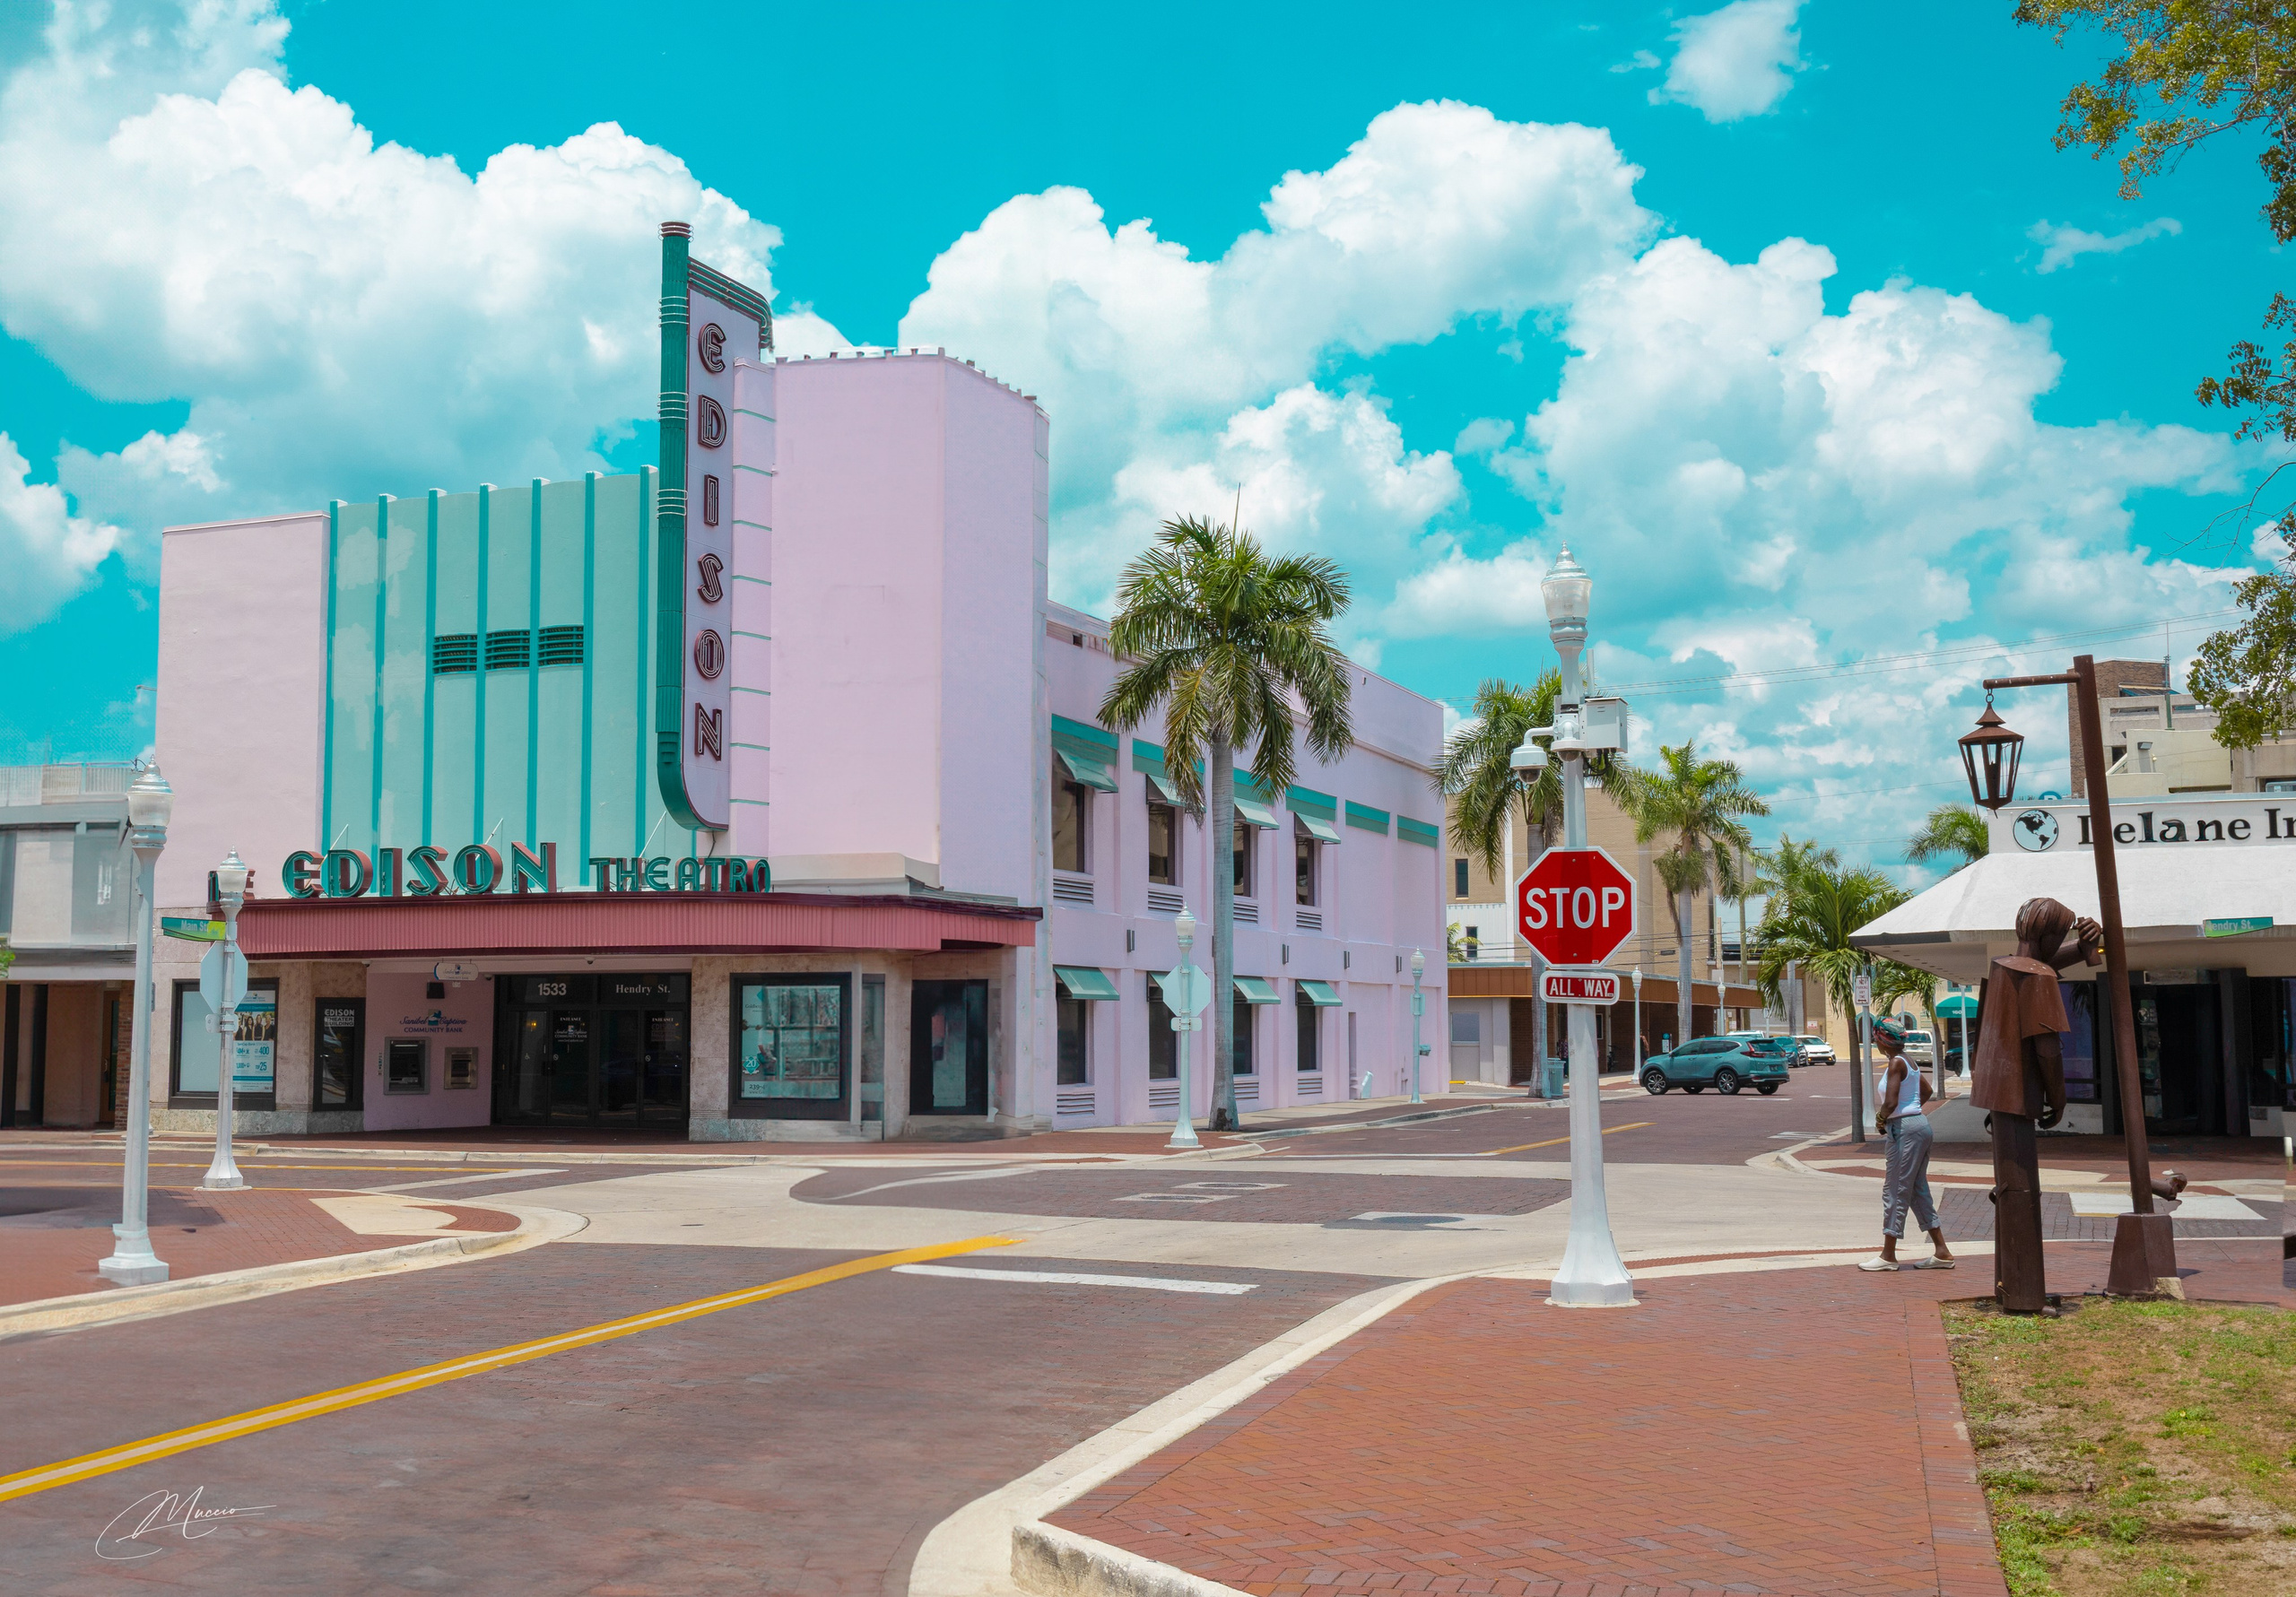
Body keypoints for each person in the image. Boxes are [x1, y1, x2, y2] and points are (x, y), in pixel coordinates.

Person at [1859, 1019, 1954, 1272]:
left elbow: (1890, 1103)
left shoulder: (1895, 1063)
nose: (1875, 1042)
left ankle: (1888, 1256)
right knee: (1916, 1189)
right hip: (1918, 1126)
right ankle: (1942, 1251)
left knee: (1895, 1190)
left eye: (1876, 1038)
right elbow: (1926, 1091)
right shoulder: (1908, 1061)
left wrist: (1881, 1120)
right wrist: (1910, 1112)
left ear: (1882, 1040)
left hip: (1904, 1130)